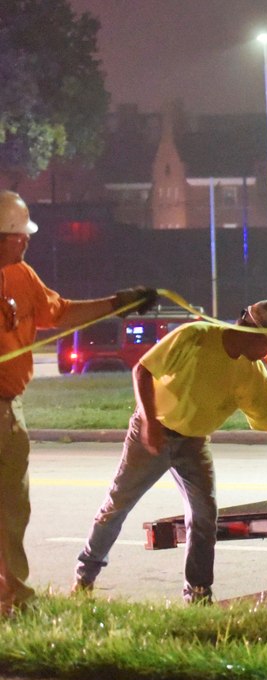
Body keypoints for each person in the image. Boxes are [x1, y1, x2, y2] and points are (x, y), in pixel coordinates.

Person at [73, 300, 267, 603]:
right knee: (117, 506)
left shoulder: (253, 375)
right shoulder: (195, 336)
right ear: (251, 331)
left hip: (193, 443)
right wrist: (149, 423)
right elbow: (142, 371)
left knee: (204, 516)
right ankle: (85, 576)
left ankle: (198, 593)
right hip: (151, 431)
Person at [0, 190, 157, 616]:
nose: (27, 241)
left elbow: (61, 313)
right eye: (18, 235)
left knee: (11, 510)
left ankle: (12, 599)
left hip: (8, 411)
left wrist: (117, 304)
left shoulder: (21, 276)